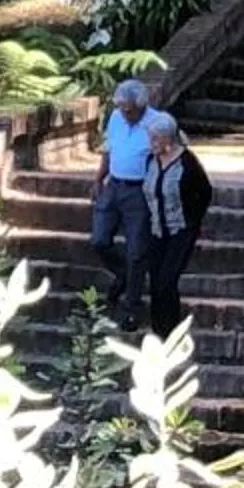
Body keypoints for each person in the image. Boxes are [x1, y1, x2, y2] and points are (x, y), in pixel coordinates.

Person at [139, 112, 213, 337]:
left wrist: (194, 220)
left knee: (167, 281)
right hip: (156, 228)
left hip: (181, 230)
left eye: (155, 139)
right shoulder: (151, 160)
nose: (151, 144)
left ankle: (171, 332)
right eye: (150, 138)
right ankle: (158, 330)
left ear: (168, 141)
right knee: (154, 281)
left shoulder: (187, 162)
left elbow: (205, 191)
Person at [90, 78, 155, 319]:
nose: (125, 114)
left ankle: (131, 307)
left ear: (141, 106)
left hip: (139, 190)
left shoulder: (156, 123)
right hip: (114, 185)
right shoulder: (116, 118)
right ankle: (124, 274)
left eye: (129, 110)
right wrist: (98, 179)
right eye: (122, 109)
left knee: (137, 251)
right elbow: (109, 149)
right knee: (99, 240)